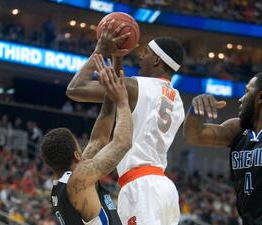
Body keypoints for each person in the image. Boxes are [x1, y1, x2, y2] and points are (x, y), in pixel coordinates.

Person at [66, 19, 185, 225]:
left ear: (157, 60)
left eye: (147, 52)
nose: (140, 56)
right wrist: (116, 58)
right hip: (165, 189)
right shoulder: (178, 100)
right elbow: (126, 96)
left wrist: (100, 49)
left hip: (141, 189)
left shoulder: (137, 87)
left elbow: (75, 89)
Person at [41, 69, 133, 225]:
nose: (85, 150)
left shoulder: (63, 186)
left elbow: (99, 139)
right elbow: (122, 143)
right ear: (77, 155)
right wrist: (122, 101)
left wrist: (109, 95)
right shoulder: (79, 178)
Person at [183, 71, 262, 225]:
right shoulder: (237, 129)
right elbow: (193, 136)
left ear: (261, 97)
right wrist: (196, 110)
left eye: (247, 92)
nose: (240, 99)